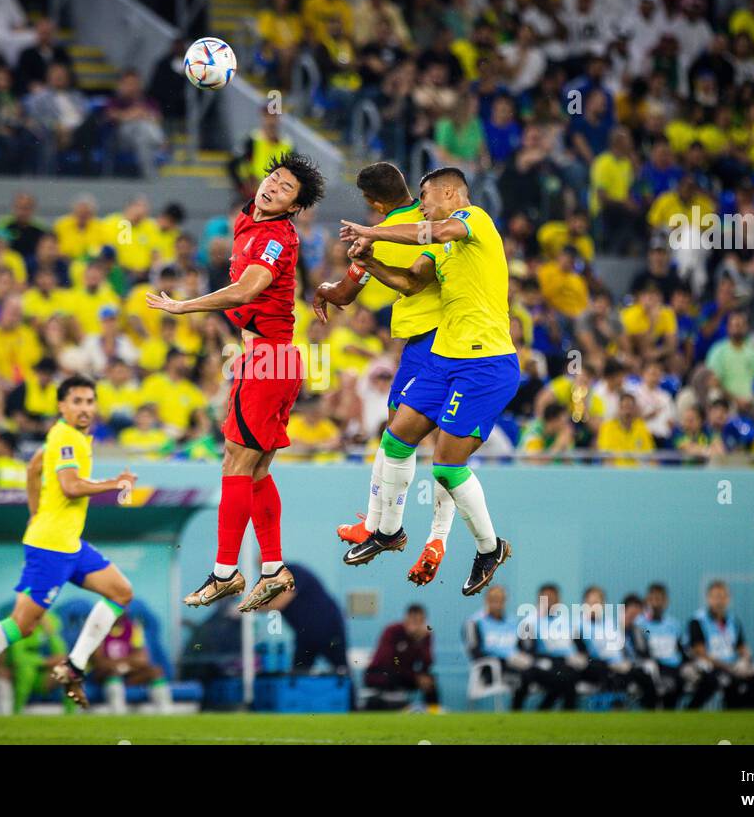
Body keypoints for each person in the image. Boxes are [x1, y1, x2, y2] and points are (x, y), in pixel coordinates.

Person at [144, 153, 326, 612]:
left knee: (235, 464)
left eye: (287, 189)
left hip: (267, 359)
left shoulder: (277, 238)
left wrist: (184, 306)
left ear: (292, 208)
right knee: (258, 469)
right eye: (274, 178)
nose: (274, 187)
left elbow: (248, 290)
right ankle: (273, 569)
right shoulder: (247, 217)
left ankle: (225, 573)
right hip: (268, 358)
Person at [338, 167, 516, 596]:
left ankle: (489, 547)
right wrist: (370, 261)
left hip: (485, 363)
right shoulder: (444, 249)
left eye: (427, 196)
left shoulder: (475, 222)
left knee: (447, 467)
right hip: (443, 359)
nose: (422, 204)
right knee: (395, 438)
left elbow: (435, 230)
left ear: (451, 192)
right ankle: (388, 531)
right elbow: (411, 282)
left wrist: (375, 232)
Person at [0, 375, 140, 716]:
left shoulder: (68, 437)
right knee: (22, 625)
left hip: (69, 543)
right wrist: (114, 483)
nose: (85, 408)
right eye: (77, 402)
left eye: (89, 401)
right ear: (61, 406)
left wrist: (33, 512)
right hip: (51, 547)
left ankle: (74, 665)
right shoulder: (67, 437)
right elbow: (70, 487)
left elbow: (33, 467)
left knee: (121, 592)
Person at [313, 162, 454, 585]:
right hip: (443, 341)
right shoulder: (437, 220)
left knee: (415, 440)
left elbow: (346, 293)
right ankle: (382, 527)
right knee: (416, 437)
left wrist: (324, 291)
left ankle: (407, 533)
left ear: (374, 203)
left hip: (433, 343)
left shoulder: (385, 233)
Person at [683, 580, 754, 709]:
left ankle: (740, 711)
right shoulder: (698, 620)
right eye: (716, 597)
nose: (719, 601)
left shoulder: (733, 621)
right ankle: (691, 710)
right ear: (708, 598)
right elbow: (700, 652)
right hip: (712, 667)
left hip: (732, 666)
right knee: (724, 681)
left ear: (729, 599)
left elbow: (742, 647)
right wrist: (729, 667)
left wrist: (744, 660)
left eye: (723, 596)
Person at [364, 604, 440, 712]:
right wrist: (415, 677)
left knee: (430, 680)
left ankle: (434, 712)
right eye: (414, 621)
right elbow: (389, 661)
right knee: (390, 675)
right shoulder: (392, 631)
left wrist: (421, 642)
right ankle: (392, 709)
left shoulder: (425, 636)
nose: (416, 625)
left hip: (405, 675)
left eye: (420, 621)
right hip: (380, 673)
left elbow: (427, 664)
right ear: (406, 619)